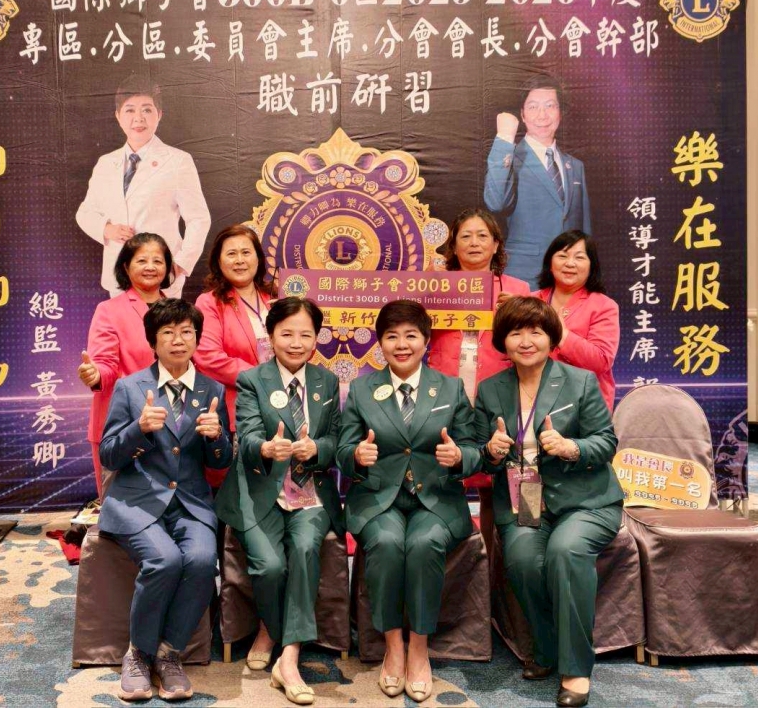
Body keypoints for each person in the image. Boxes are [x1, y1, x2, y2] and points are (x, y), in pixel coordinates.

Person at [475, 296, 622, 708]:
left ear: (551, 337)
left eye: (536, 332)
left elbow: (607, 442)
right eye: (516, 332)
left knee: (565, 551)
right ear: (503, 341)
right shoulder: (490, 389)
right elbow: (477, 452)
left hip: (586, 500)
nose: (526, 341)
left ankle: (575, 670)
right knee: (522, 559)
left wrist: (572, 447)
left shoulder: (580, 381)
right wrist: (491, 451)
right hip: (525, 497)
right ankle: (546, 647)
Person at [336, 300, 481, 704]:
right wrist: (355, 456)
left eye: (411, 336)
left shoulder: (450, 388)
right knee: (385, 543)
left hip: (436, 498)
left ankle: (419, 648)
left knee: (423, 544)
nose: (401, 345)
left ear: (426, 340)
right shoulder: (362, 388)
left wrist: (460, 457)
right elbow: (343, 450)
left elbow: (474, 448)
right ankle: (393, 646)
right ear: (380, 343)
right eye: (392, 336)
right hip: (378, 498)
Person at [98, 298, 232, 702]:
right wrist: (138, 429)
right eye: (168, 332)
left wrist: (217, 437)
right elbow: (109, 455)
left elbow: (221, 461)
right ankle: (138, 654)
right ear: (153, 342)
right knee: (165, 560)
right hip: (137, 500)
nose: (178, 340)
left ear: (197, 338)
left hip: (190, 502)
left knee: (202, 561)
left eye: (187, 332)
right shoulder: (130, 387)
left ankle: (168, 653)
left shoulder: (212, 389)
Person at [216, 297, 343, 705]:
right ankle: (270, 629)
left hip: (310, 492)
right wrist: (267, 449)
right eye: (286, 334)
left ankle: (288, 658)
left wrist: (317, 449)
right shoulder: (253, 379)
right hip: (259, 489)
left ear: (317, 338)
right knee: (269, 566)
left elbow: (336, 439)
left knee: (305, 549)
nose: (296, 343)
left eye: (306, 334)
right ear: (270, 337)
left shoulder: (327, 381)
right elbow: (248, 435)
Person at [76, 77, 211, 299]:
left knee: (163, 322)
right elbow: (85, 212)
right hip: (119, 274)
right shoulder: (105, 163)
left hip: (161, 276)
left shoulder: (178, 161)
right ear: (118, 116)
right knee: (121, 322)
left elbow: (198, 218)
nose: (138, 118)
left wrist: (180, 264)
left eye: (147, 110)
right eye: (130, 110)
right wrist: (106, 229)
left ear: (159, 114)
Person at [77, 233, 173, 496]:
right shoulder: (109, 310)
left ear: (167, 267)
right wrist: (96, 373)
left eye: (158, 260)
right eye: (141, 260)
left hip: (170, 424)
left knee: (169, 506)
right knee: (122, 509)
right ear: (125, 267)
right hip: (122, 426)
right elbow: (105, 364)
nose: (150, 267)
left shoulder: (179, 311)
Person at [484, 74, 590, 288]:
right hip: (525, 276)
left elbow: (584, 230)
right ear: (522, 114)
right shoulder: (510, 158)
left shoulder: (575, 166)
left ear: (560, 112)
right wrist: (504, 139)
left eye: (550, 106)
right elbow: (495, 203)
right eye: (533, 107)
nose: (542, 115)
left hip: (569, 278)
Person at [193, 224, 278, 488]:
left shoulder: (277, 296)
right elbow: (208, 357)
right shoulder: (210, 302)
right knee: (237, 488)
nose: (240, 260)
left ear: (258, 258)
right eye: (231, 254)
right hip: (236, 409)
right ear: (219, 262)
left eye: (246, 252)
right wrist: (263, 378)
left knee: (277, 486)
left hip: (281, 407)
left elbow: (301, 343)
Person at [428, 208, 531, 403]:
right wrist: (426, 288)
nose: (474, 243)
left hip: (498, 386)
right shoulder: (436, 283)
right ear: (454, 247)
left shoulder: (518, 289)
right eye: (466, 236)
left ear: (495, 245)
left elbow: (532, 340)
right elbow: (410, 325)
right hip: (442, 384)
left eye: (482, 236)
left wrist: (519, 311)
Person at [533, 231, 619, 413]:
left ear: (591, 266)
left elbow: (601, 361)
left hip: (585, 405)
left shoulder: (604, 305)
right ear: (550, 263)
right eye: (562, 256)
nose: (570, 263)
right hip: (534, 400)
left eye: (579, 257)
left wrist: (562, 334)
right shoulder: (531, 301)